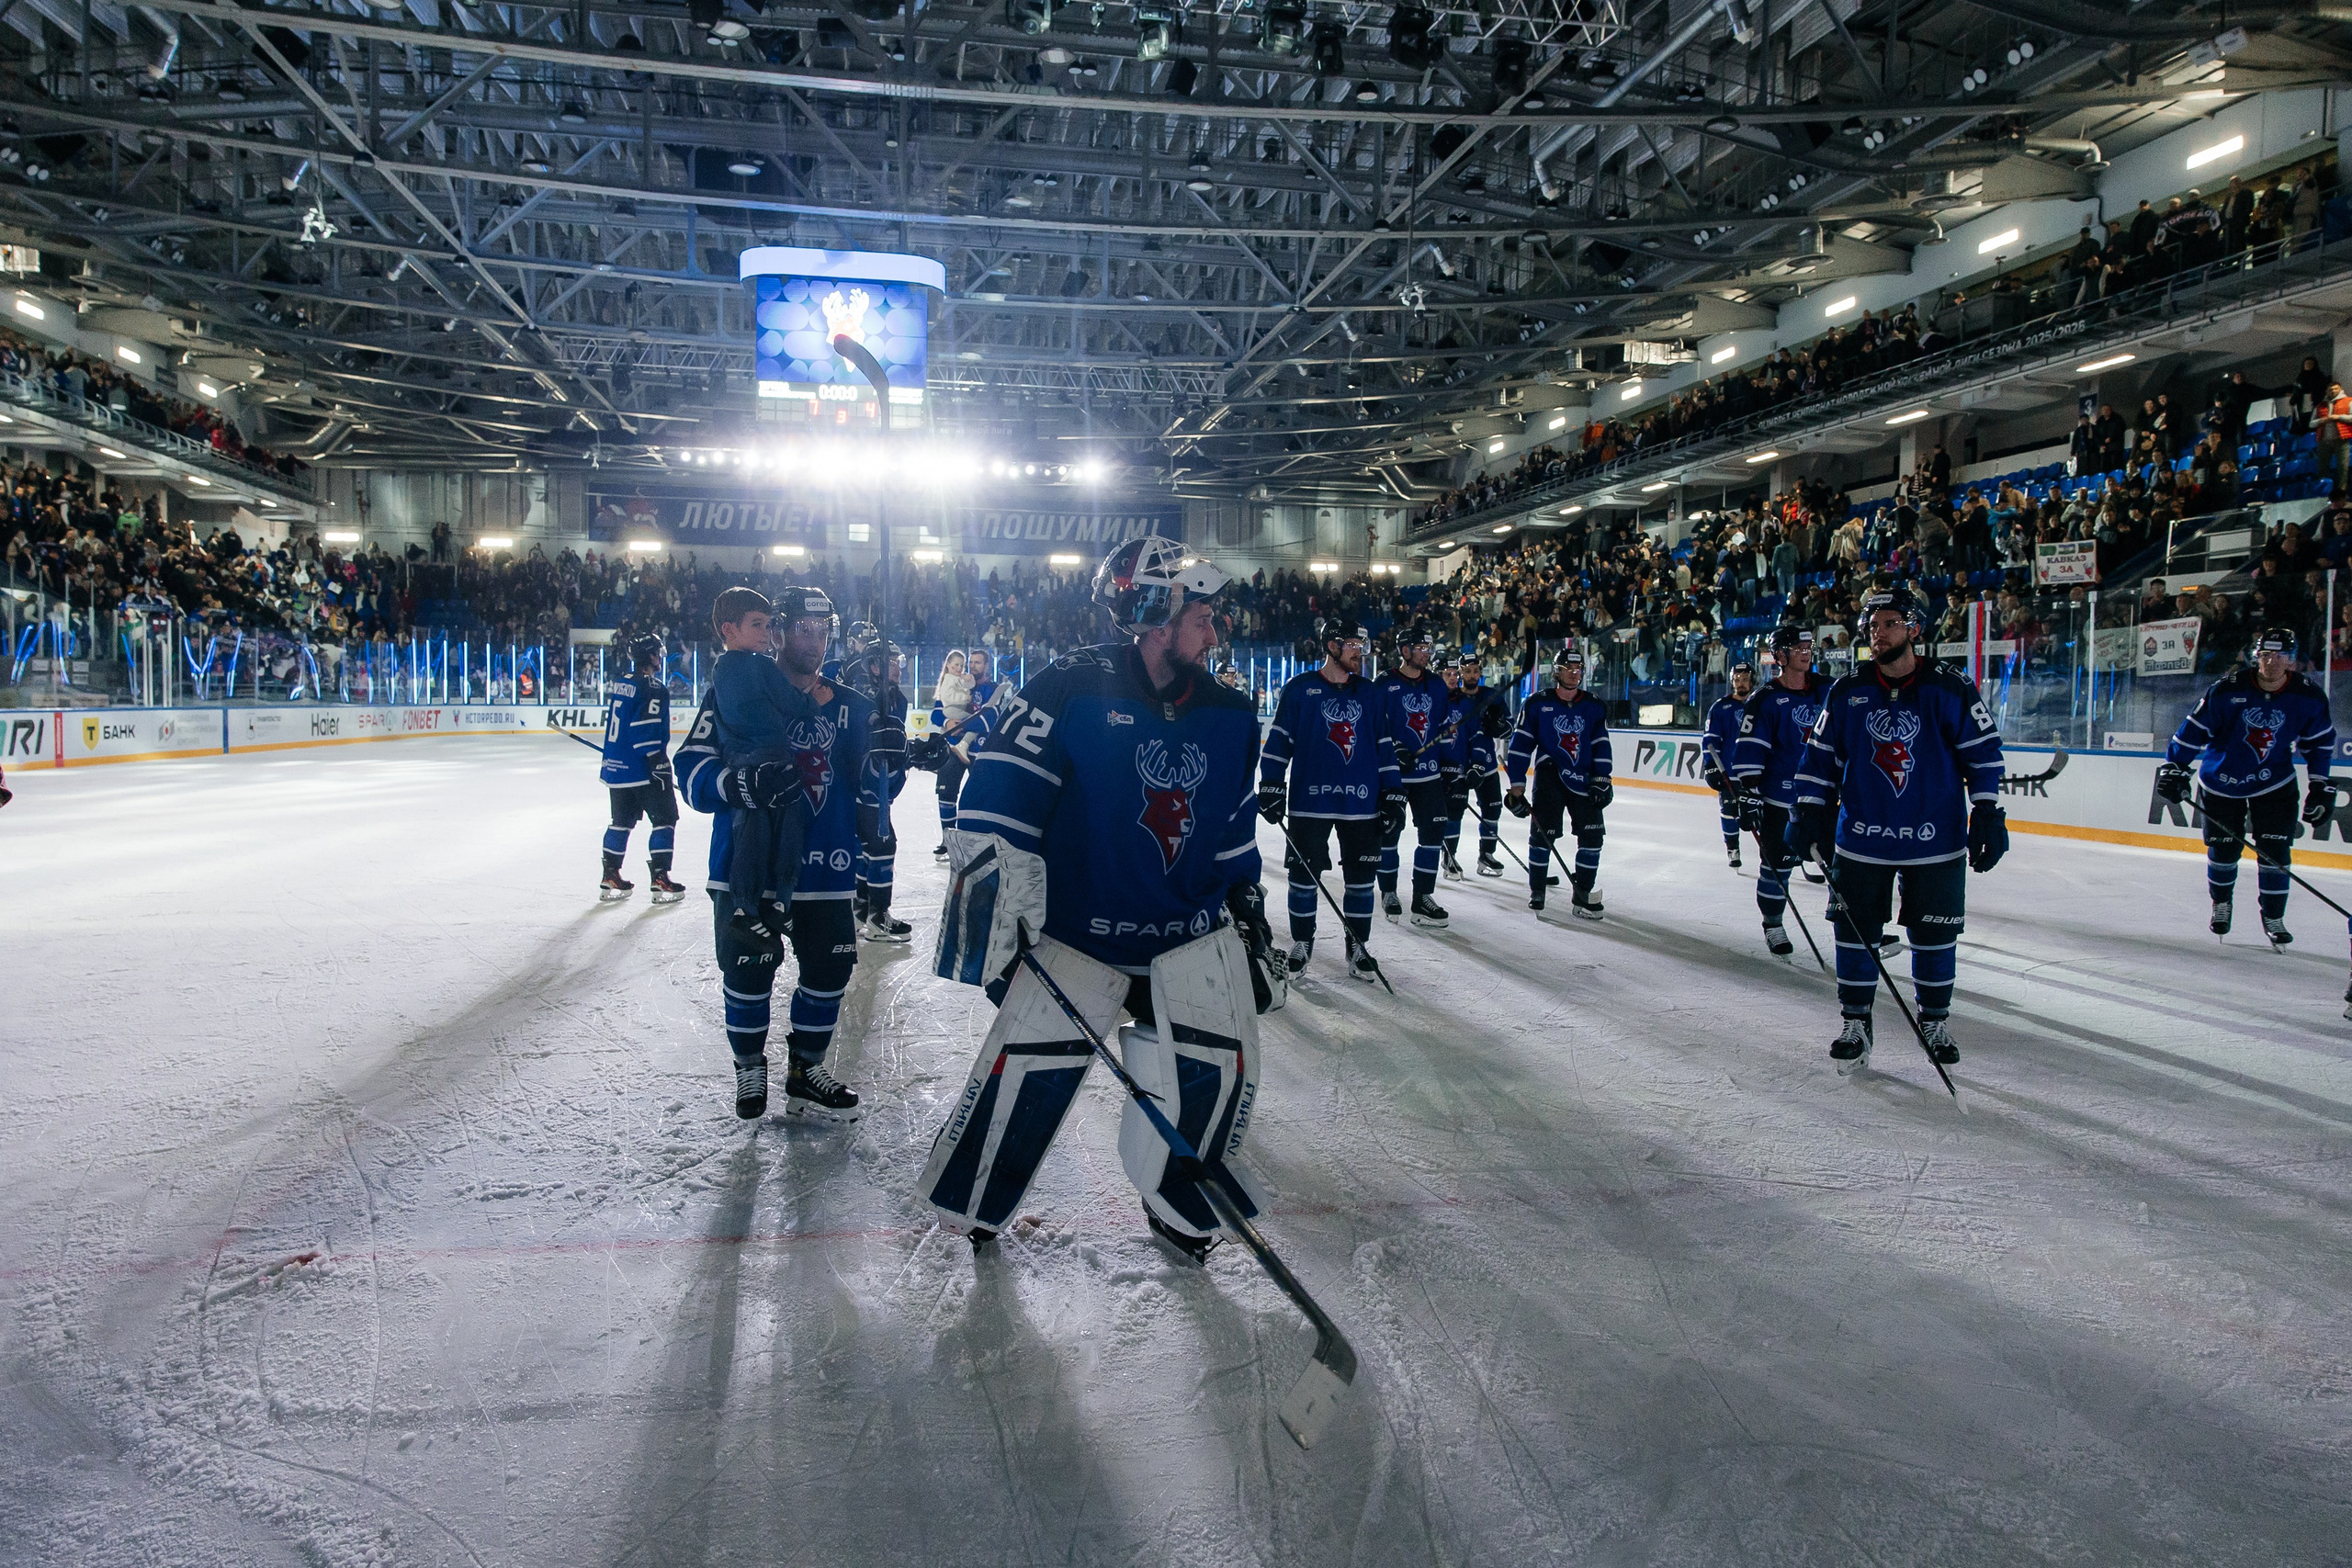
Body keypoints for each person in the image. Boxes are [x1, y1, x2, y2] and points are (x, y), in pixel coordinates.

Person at [921, 536, 1274, 1261]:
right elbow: (994, 807)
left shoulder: (1233, 713)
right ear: (1153, 612)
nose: (1215, 631)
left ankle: (1180, 1210)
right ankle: (984, 1202)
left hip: (1187, 938)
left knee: (1212, 1084)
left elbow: (1232, 830)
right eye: (1200, 615)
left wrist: (1247, 909)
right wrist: (997, 923)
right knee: (1026, 1082)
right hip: (1075, 940)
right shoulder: (1068, 687)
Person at [1789, 584, 2007, 1075]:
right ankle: (1856, 1021)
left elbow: (1984, 756)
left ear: (1914, 629)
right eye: (1871, 623)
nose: (1876, 631)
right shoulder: (1848, 691)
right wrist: (1808, 812)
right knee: (1855, 933)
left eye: (1888, 622)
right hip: (1862, 838)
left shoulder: (1949, 687)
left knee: (1935, 936)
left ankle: (1934, 1020)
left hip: (1937, 840)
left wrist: (1988, 811)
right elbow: (1819, 758)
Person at [675, 584, 869, 1121]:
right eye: (803, 629)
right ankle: (749, 1069)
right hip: (746, 866)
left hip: (828, 870)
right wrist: (737, 786)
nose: (817, 640)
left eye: (824, 629)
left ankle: (805, 1068)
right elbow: (689, 769)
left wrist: (895, 757)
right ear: (777, 633)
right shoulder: (734, 690)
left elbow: (876, 786)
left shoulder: (850, 704)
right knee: (748, 971)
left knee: (830, 974)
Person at [2156, 626, 2338, 943]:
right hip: (2221, 781)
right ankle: (2222, 903)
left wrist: (2321, 784)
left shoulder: (2308, 696)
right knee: (2224, 849)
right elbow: (2193, 730)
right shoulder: (2227, 689)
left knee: (2276, 851)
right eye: (2266, 655)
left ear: (2292, 662)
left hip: (2274, 783)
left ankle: (2273, 915)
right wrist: (2176, 766)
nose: (2272, 662)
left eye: (2280, 656)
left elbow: (2319, 743)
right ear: (2256, 657)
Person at [1260, 618, 1399, 982]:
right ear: (1332, 646)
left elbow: (1384, 747)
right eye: (1352, 644)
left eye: (1361, 645)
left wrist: (1394, 791)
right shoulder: (1299, 689)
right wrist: (1272, 783)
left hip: (1362, 804)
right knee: (1303, 878)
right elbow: (1278, 743)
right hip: (1310, 803)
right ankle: (1303, 943)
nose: (1359, 652)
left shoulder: (1370, 693)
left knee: (1361, 880)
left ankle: (1358, 947)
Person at [1734, 626, 1835, 959]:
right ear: (1780, 656)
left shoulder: (1828, 688)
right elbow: (1750, 752)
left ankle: (1853, 924)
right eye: (1797, 646)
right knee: (1777, 865)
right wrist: (1748, 794)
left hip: (1826, 797)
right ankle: (1773, 924)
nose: (1806, 651)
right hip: (1782, 799)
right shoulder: (1765, 700)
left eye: (1808, 645)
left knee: (1845, 864)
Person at [1504, 644, 1612, 919]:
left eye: (1578, 669)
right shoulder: (1537, 703)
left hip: (1585, 779)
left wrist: (1603, 778)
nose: (1574, 674)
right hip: (1550, 775)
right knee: (1543, 834)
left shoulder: (1593, 705)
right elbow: (1520, 746)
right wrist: (1517, 784)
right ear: (1556, 672)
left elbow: (1601, 744)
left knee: (1592, 836)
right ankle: (1537, 890)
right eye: (1568, 669)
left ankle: (1583, 893)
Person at [1372, 620, 1454, 929]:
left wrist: (1451, 765)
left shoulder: (1435, 685)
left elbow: (1444, 727)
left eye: (1428, 647)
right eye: (1420, 648)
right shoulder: (1383, 684)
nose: (1426, 652)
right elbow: (1373, 727)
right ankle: (1389, 892)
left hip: (1429, 777)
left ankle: (1422, 897)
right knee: (1390, 833)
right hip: (1394, 776)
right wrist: (1393, 749)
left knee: (1433, 835)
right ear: (1405, 651)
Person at [595, 633, 685, 903]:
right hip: (643, 770)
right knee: (665, 819)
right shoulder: (654, 688)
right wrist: (657, 762)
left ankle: (610, 875)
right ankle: (660, 877)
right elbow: (645, 731)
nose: (661, 656)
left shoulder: (622, 683)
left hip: (616, 770)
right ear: (651, 656)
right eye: (658, 651)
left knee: (620, 822)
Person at [843, 627, 913, 943]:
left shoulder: (896, 697)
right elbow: (864, 746)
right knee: (882, 844)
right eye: (891, 662)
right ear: (873, 667)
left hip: (875, 786)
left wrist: (915, 752)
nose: (898, 666)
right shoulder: (869, 698)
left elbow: (896, 746)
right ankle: (877, 915)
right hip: (865, 785)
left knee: (867, 847)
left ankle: (860, 909)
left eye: (899, 660)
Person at [1701, 660, 1756, 870]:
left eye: (1745, 679)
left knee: (1762, 812)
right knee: (1729, 810)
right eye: (1737, 680)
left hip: (1757, 771)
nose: (1741, 683)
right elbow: (1710, 740)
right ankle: (1732, 848)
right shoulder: (1721, 707)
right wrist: (1711, 765)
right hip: (1730, 771)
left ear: (1752, 680)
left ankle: (1768, 851)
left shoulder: (1760, 704)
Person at [929, 649, 975, 858]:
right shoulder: (948, 685)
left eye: (975, 664)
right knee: (946, 794)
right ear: (947, 665)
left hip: (976, 750)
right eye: (969, 663)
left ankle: (975, 842)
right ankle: (948, 841)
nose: (962, 669)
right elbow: (937, 713)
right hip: (950, 746)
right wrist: (948, 722)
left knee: (979, 796)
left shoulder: (983, 688)